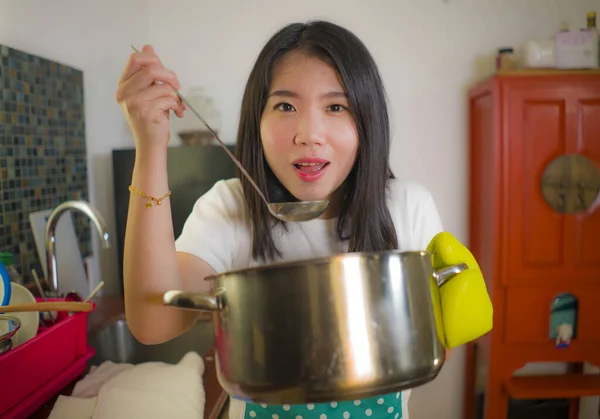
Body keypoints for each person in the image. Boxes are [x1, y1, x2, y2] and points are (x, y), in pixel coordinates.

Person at [116, 19, 461, 419]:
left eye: (336, 106)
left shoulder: (408, 208)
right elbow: (152, 322)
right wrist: (150, 145)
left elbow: (441, 342)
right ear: (256, 120)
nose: (309, 134)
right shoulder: (228, 208)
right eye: (285, 106)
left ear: (368, 121)